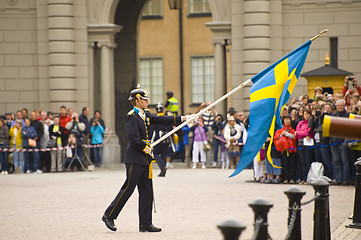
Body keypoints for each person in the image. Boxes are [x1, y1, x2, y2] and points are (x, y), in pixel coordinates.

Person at [102, 87, 188, 233]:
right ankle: (108, 215)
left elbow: (161, 119)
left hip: (145, 159)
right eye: (145, 99)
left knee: (147, 191)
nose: (148, 101)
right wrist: (145, 146)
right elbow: (133, 138)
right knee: (128, 188)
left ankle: (145, 223)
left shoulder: (146, 114)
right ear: (137, 101)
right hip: (135, 158)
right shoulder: (132, 117)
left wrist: (182, 118)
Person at [330, 99, 350, 185]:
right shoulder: (334, 116)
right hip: (334, 142)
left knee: (345, 162)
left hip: (343, 142)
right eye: (338, 106)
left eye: (341, 105)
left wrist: (346, 141)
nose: (340, 107)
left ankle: (345, 180)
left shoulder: (348, 116)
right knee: (336, 161)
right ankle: (338, 179)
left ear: (344, 106)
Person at [149, 103, 172, 176]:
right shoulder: (167, 118)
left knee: (155, 153)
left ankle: (162, 167)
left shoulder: (155, 118)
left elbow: (152, 130)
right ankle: (163, 171)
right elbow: (171, 128)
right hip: (166, 138)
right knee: (164, 154)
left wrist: (149, 139)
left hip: (158, 138)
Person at [274, 115, 297, 184]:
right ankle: (286, 178)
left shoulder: (293, 128)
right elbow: (276, 137)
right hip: (284, 149)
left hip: (292, 149)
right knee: (285, 164)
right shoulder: (281, 129)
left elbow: (294, 136)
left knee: (292, 164)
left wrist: (286, 134)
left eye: (288, 119)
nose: (287, 121)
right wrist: (282, 134)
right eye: (285, 119)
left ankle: (292, 178)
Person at [295, 109, 314, 184]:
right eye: (305, 114)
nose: (306, 116)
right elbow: (296, 132)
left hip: (308, 144)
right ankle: (302, 178)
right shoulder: (300, 123)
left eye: (307, 114)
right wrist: (303, 134)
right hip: (300, 143)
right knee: (302, 162)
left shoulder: (311, 123)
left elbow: (309, 132)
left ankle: (307, 178)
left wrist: (301, 133)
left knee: (307, 161)